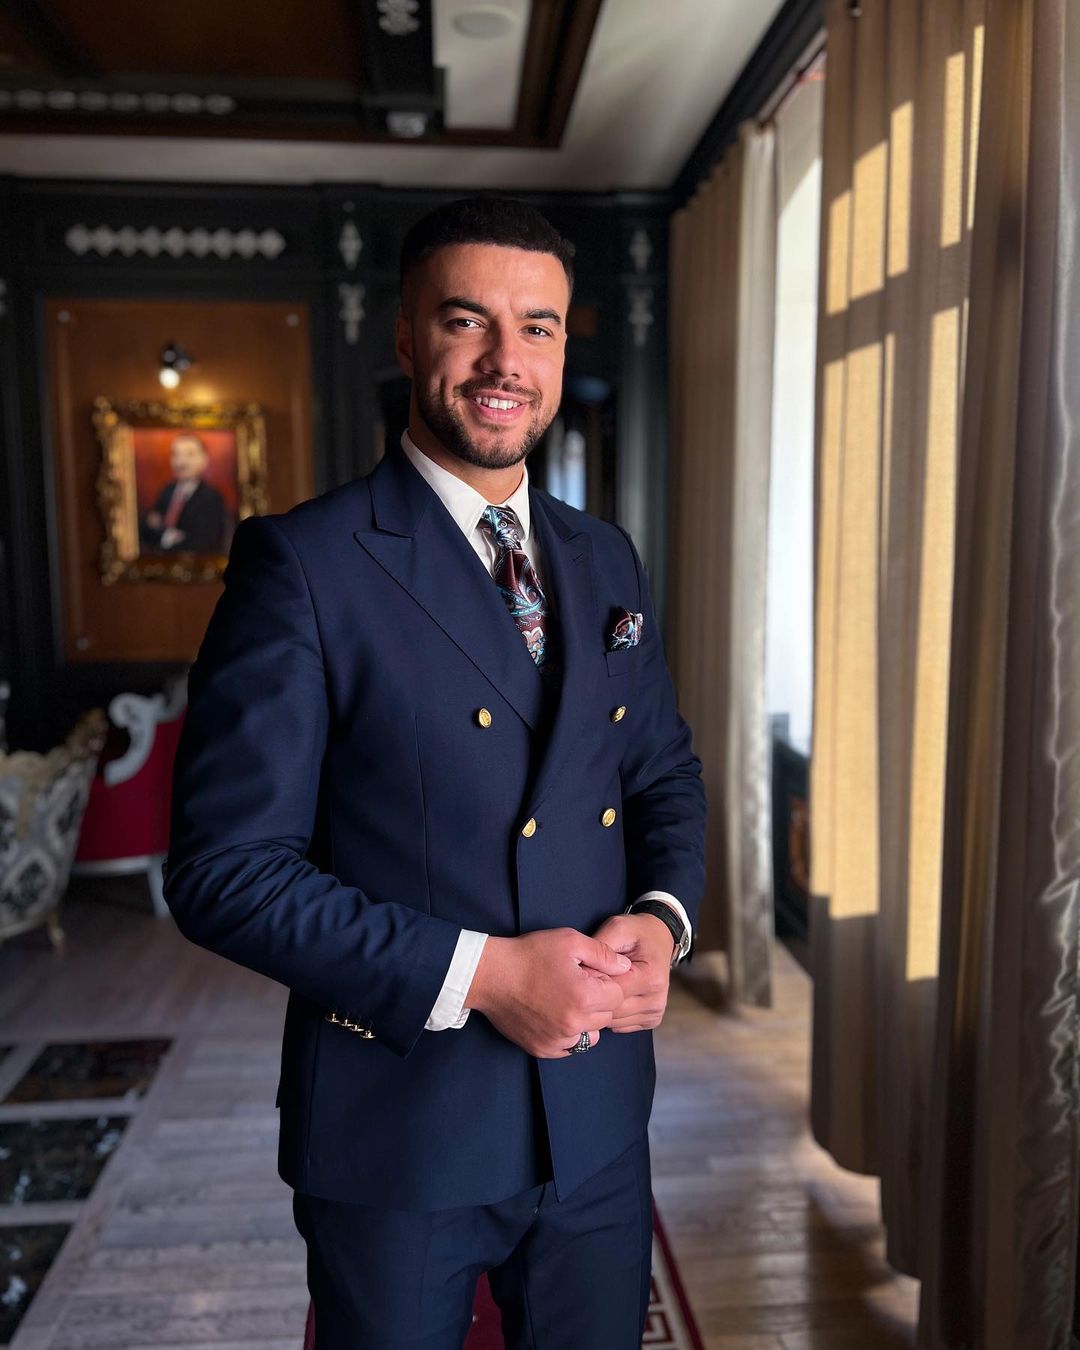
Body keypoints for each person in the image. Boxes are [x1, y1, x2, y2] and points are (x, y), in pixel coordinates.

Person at [164, 196, 706, 1350]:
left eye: (538, 327)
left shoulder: (605, 556)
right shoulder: (304, 563)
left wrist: (663, 923)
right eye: (469, 322)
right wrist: (487, 974)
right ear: (407, 338)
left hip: (598, 1113)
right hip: (401, 1128)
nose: (507, 360)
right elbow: (225, 872)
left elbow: (662, 775)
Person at [141, 431, 229, 554]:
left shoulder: (211, 497)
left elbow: (202, 543)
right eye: (176, 455)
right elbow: (145, 527)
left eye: (189, 454)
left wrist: (161, 534)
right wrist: (169, 537)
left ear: (203, 460)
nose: (181, 462)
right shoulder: (167, 490)